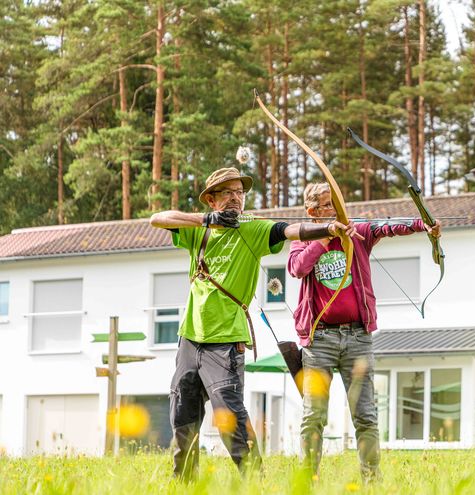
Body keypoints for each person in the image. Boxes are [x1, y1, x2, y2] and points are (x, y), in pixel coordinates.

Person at [150, 167, 361, 480]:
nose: (236, 198)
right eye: (227, 193)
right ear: (211, 199)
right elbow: (158, 218)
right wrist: (206, 220)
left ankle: (255, 482)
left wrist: (329, 228)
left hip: (226, 339)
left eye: (240, 192)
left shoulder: (253, 229)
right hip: (189, 338)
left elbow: (290, 230)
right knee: (182, 414)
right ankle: (183, 483)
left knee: (231, 416)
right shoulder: (200, 229)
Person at [288, 182, 441, 483]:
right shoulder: (303, 237)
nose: (336, 210)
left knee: (365, 415)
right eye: (328, 205)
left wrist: (423, 225)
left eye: (337, 203)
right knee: (313, 416)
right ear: (312, 211)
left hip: (358, 337)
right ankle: (307, 479)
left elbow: (387, 228)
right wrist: (324, 237)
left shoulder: (356, 232)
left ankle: (371, 481)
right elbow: (296, 268)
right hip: (319, 341)